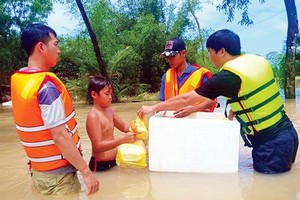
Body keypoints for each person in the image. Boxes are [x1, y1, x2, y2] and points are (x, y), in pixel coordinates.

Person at [138, 29, 299, 174]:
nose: (209, 56)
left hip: (271, 146)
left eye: (210, 52)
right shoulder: (259, 61)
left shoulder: (228, 76)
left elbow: (187, 98)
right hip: (289, 134)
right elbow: (256, 93)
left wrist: (154, 107)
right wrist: (236, 108)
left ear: (222, 51)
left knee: (268, 191)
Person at [10, 23, 99, 195]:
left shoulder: (19, 80)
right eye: (55, 44)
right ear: (41, 47)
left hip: (38, 173)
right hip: (59, 180)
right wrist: (86, 172)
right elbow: (59, 136)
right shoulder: (46, 86)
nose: (58, 50)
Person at [86, 76, 137, 171]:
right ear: (94, 94)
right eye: (106, 94)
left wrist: (138, 124)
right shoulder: (93, 116)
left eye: (111, 94)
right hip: (100, 165)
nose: (110, 97)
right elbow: (98, 147)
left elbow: (125, 127)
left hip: (114, 162)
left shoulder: (109, 111)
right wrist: (122, 139)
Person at [159, 37, 217, 114]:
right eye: (167, 57)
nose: (170, 60)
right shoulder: (166, 77)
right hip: (172, 121)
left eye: (173, 56)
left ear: (183, 53)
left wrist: (194, 109)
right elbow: (163, 102)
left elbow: (211, 101)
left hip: (195, 121)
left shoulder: (201, 74)